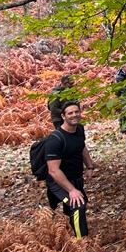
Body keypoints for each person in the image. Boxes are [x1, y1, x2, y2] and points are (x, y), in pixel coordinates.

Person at [44, 99, 94, 238]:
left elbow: (81, 146)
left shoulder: (79, 129)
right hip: (58, 182)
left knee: (72, 207)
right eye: (70, 113)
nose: (74, 115)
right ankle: (81, 241)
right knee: (78, 205)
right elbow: (53, 170)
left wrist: (89, 166)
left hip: (76, 178)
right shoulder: (55, 139)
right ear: (63, 116)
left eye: (77, 112)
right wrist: (71, 190)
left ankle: (65, 226)